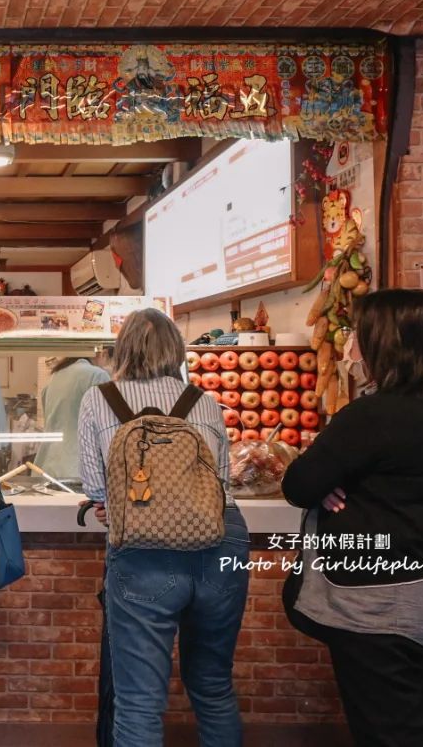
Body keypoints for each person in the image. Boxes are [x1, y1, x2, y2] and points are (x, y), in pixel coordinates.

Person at [282, 289, 423, 747]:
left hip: (379, 604)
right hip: (416, 589)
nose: (350, 345)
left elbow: (298, 484)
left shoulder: (374, 413)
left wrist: (325, 482)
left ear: (383, 342)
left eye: (359, 334)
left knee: (389, 732)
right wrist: (334, 482)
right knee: (409, 718)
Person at [78, 308, 249, 747]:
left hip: (144, 550)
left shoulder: (99, 399)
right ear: (176, 350)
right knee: (213, 687)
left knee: (138, 702)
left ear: (123, 349)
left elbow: (98, 489)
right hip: (222, 542)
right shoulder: (205, 401)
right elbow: (221, 484)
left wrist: (117, 505)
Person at [34, 356, 109, 483]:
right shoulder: (98, 375)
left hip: (47, 465)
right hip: (78, 469)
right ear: (104, 353)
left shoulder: (56, 375)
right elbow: (106, 427)